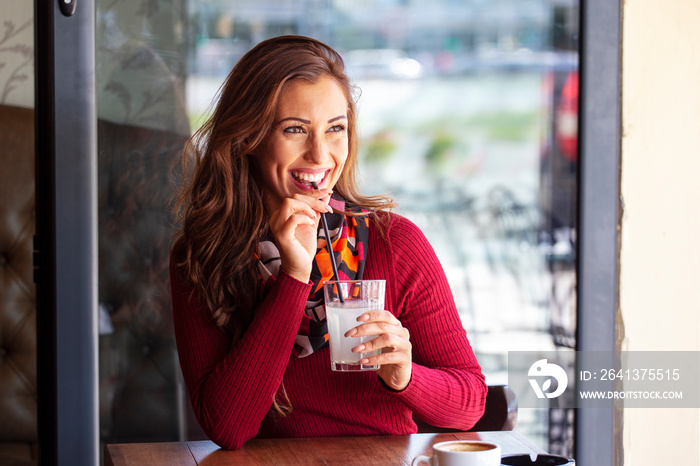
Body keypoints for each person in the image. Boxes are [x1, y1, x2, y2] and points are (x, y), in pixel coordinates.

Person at [170, 35, 487, 450]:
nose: (320, 154)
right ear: (249, 138)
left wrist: (405, 375)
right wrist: (296, 276)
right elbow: (228, 428)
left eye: (335, 129)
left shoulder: (395, 243)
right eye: (295, 129)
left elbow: (469, 404)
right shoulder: (201, 258)